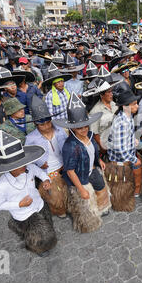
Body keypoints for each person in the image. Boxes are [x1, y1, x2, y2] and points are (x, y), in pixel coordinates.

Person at [0, 131, 57, 257]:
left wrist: (46, 180)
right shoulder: (1, 185)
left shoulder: (29, 168)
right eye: (19, 165)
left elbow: (40, 172)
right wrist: (19, 204)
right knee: (37, 236)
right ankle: (37, 248)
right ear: (9, 167)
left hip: (39, 204)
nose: (24, 165)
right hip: (24, 214)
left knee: (48, 224)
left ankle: (44, 240)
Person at [54, 93, 111, 232]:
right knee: (85, 201)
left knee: (101, 187)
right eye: (80, 128)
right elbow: (70, 170)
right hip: (79, 177)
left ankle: (103, 207)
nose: (84, 129)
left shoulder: (90, 135)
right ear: (72, 128)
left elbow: (93, 151)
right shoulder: (70, 146)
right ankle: (89, 221)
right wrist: (81, 189)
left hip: (92, 169)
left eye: (86, 126)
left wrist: (98, 160)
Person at [25, 95, 69, 218]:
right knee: (55, 195)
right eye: (42, 124)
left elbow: (67, 146)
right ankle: (60, 209)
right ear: (35, 124)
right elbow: (28, 161)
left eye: (48, 122)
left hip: (64, 165)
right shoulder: (30, 139)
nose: (47, 126)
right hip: (48, 171)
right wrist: (39, 163)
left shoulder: (60, 130)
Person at [105, 82, 142, 212]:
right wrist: (133, 160)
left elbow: (126, 138)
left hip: (127, 153)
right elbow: (120, 150)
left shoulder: (128, 116)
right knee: (137, 165)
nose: (137, 106)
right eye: (134, 104)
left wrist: (133, 140)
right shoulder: (122, 123)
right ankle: (133, 193)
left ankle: (135, 190)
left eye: (136, 103)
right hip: (120, 160)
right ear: (124, 106)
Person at [85, 79, 118, 154]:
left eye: (111, 91)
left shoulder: (114, 104)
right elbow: (95, 133)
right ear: (101, 95)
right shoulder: (95, 111)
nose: (111, 94)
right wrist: (103, 148)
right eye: (109, 92)